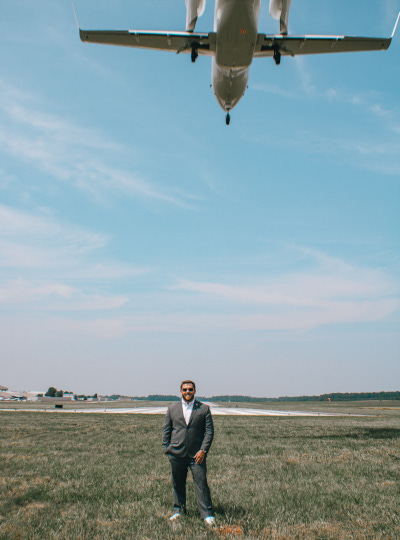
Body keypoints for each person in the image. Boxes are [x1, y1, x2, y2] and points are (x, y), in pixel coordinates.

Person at [162, 380, 215, 527]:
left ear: (195, 391)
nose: (187, 392)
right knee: (178, 483)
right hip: (176, 454)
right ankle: (178, 511)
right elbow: (166, 430)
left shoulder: (204, 409)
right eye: (184, 390)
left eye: (190, 389)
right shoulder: (172, 409)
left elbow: (209, 432)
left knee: (201, 483)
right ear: (180, 391)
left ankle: (207, 514)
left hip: (196, 456)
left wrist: (203, 450)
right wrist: (167, 448)